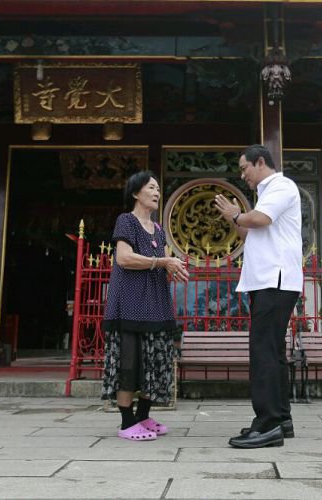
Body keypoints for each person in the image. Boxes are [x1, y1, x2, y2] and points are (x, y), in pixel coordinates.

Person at [213, 144, 303, 448]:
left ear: (260, 162)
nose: (243, 175)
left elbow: (259, 219)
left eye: (244, 168)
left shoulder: (281, 185)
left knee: (263, 352)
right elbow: (250, 232)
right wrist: (234, 218)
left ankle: (267, 424)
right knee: (273, 352)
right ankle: (281, 419)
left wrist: (237, 213)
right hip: (269, 281)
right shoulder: (266, 194)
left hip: (274, 280)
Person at [102, 171, 190, 441]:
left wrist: (172, 266)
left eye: (158, 189)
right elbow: (124, 258)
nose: (156, 193)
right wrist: (162, 262)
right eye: (151, 187)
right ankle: (127, 422)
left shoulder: (159, 230)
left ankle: (143, 416)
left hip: (155, 304)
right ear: (135, 193)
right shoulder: (126, 221)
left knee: (154, 360)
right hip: (129, 304)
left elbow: (163, 261)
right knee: (129, 361)